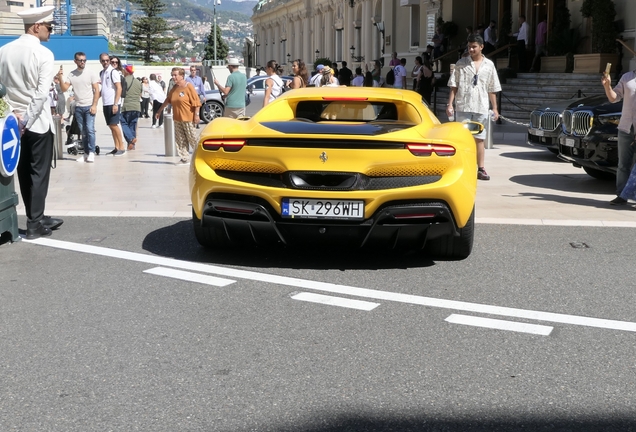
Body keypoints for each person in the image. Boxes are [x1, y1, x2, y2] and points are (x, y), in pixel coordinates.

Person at [0, 6, 63, 239]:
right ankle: (35, 222)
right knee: (39, 173)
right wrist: (26, 118)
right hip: (35, 121)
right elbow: (41, 93)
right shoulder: (43, 54)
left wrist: (13, 113)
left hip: (11, 121)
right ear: (36, 27)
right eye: (49, 27)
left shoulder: (3, 51)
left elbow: (2, 89)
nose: (50, 32)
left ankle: (36, 214)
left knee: (23, 171)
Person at [447, 34, 501, 181]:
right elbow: (454, 85)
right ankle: (462, 166)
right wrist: (450, 104)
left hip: (481, 106)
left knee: (479, 139)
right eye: (469, 47)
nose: (471, 49)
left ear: (481, 47)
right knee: (462, 138)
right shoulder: (461, 63)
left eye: (474, 47)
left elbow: (492, 88)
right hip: (463, 105)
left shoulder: (489, 65)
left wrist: (495, 108)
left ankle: (481, 168)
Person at [57, 51, 100, 163]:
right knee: (83, 131)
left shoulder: (90, 73)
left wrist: (94, 105)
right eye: (80, 60)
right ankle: (85, 153)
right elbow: (64, 89)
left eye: (84, 60)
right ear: (75, 61)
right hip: (78, 107)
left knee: (90, 130)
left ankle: (91, 152)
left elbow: (97, 90)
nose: (82, 62)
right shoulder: (72, 74)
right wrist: (60, 77)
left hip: (89, 106)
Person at [601, 69, 636, 205]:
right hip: (626, 127)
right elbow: (614, 98)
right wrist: (607, 85)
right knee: (623, 165)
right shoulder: (627, 77)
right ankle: (621, 195)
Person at [155, 67, 200, 164]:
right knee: (180, 139)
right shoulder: (174, 88)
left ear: (182, 76)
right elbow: (168, 100)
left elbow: (196, 102)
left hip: (188, 118)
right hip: (177, 118)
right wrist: (159, 111)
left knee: (192, 138)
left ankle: (200, 156)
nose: (173, 77)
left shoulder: (188, 86)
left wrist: (196, 115)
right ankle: (184, 158)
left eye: (175, 75)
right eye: (172, 75)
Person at [98, 52, 125, 155]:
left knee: (114, 125)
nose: (105, 62)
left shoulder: (113, 72)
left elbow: (119, 87)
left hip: (113, 103)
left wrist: (115, 103)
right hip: (106, 103)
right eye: (103, 60)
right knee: (110, 125)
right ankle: (116, 147)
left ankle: (121, 147)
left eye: (107, 60)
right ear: (100, 61)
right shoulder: (102, 73)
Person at [120, 64, 142, 150]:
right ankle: (132, 145)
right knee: (132, 125)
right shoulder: (138, 82)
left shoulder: (123, 80)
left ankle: (131, 139)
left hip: (126, 106)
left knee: (124, 123)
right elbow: (140, 93)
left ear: (126, 71)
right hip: (136, 106)